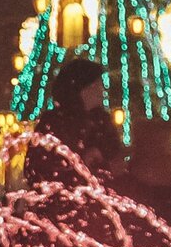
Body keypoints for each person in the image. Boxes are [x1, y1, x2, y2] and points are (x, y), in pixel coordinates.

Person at [25, 58, 124, 186]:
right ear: (82, 89)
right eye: (96, 85)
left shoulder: (102, 122)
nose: (102, 91)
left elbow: (115, 159)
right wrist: (78, 164)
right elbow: (36, 168)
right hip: (62, 200)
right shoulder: (54, 122)